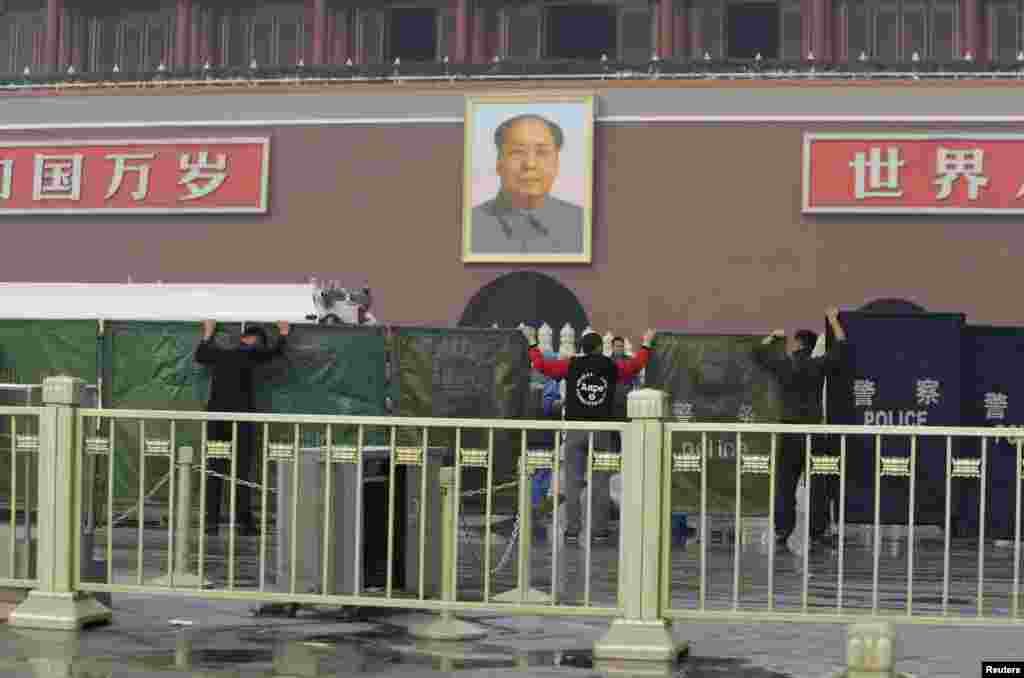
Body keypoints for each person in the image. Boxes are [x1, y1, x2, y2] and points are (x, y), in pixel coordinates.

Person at [526, 327, 655, 543]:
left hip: (576, 430)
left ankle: (572, 529)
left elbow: (541, 366)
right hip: (601, 430)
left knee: (573, 483)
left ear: (581, 349)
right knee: (601, 482)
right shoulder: (610, 365)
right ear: (599, 348)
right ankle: (600, 531)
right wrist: (646, 345)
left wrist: (532, 343)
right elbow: (635, 366)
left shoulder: (571, 364)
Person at [752, 308, 847, 551]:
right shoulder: (817, 366)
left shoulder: (784, 366)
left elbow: (757, 353)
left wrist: (773, 337)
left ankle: (782, 532)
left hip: (789, 433)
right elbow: (842, 349)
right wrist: (835, 320)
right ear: (814, 346)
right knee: (818, 484)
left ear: (797, 344)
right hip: (813, 433)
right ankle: (817, 532)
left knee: (785, 484)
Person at [195, 319, 289, 536]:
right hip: (240, 421)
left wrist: (208, 332)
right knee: (241, 471)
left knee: (215, 469)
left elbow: (200, 354)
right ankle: (243, 524)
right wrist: (283, 332)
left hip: (217, 420)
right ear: (254, 341)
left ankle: (212, 523)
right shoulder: (251, 354)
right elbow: (276, 352)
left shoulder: (223, 354)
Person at [470, 114, 584, 255]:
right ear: (499, 163)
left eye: (542, 152)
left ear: (557, 164)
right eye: (517, 152)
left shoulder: (582, 224)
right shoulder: (470, 226)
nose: (530, 164)